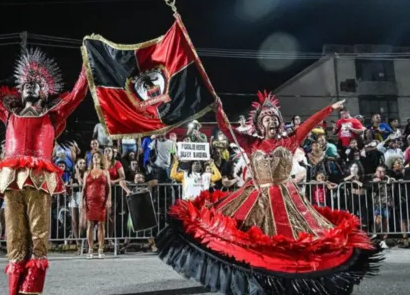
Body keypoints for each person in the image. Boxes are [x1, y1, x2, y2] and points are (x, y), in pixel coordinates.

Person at [156, 91, 382, 295]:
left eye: (275, 118)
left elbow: (311, 122)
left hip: (287, 199)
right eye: (267, 119)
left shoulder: (291, 140)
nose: (272, 121)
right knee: (251, 242)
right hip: (255, 197)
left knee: (293, 243)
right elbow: (226, 129)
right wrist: (219, 109)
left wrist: (329, 109)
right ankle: (258, 283)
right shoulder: (250, 143)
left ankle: (284, 283)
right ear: (260, 125)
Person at [0, 36, 87, 295]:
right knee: (15, 236)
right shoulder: (9, 113)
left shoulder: (53, 115)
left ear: (43, 92)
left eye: (36, 84)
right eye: (27, 83)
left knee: (38, 235)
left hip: (39, 176)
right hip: (11, 177)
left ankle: (32, 290)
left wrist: (87, 65)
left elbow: (77, 95)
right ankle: (14, 290)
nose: (30, 85)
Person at [81, 152, 111, 259]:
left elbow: (108, 187)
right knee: (89, 225)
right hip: (90, 202)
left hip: (101, 201)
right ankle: (90, 249)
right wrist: (82, 201)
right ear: (92, 159)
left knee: (101, 225)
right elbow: (83, 188)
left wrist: (109, 200)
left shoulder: (105, 172)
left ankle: (100, 249)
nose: (96, 159)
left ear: (101, 159)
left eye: (98, 157)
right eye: (94, 157)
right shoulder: (87, 173)